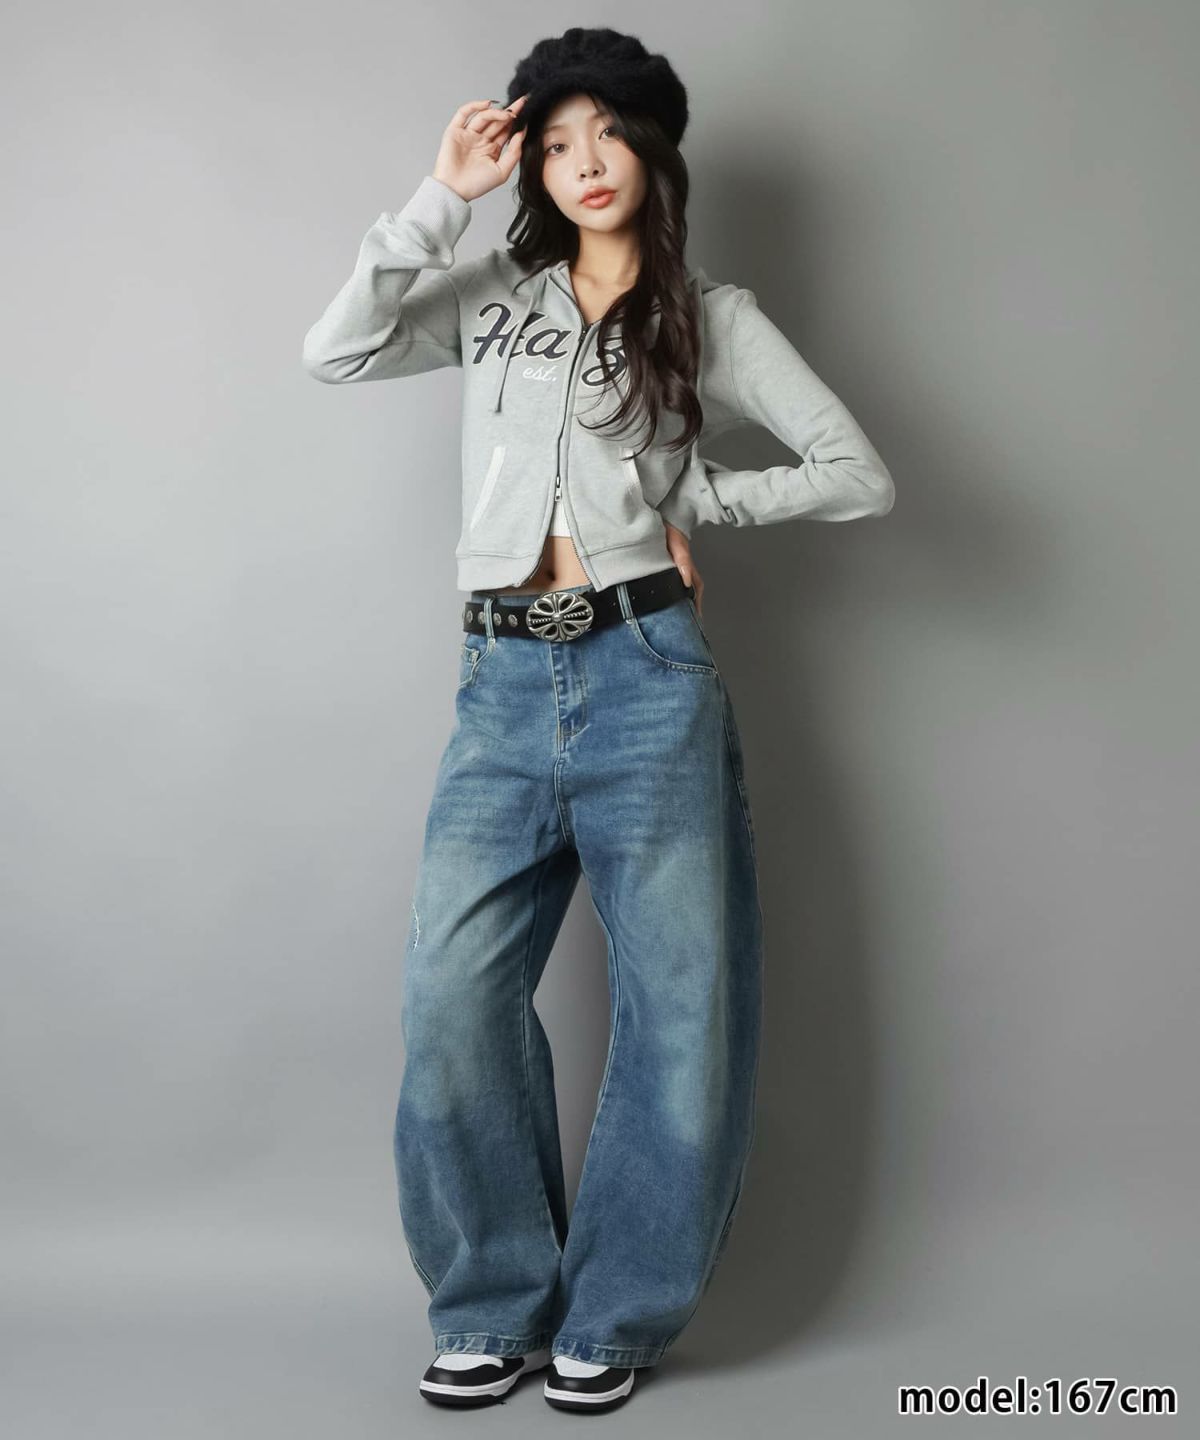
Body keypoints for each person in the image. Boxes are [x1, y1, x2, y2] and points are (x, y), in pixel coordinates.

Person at [302, 26, 894, 1414]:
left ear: (652, 150)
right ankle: (491, 1302)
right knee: (452, 994)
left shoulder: (711, 316)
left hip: (646, 679)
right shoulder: (493, 298)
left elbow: (853, 471)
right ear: (534, 165)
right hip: (501, 685)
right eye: (558, 142)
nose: (584, 163)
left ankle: (615, 1316)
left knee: (680, 1012)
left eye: (608, 134)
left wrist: (704, 502)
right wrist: (440, 197)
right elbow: (337, 351)